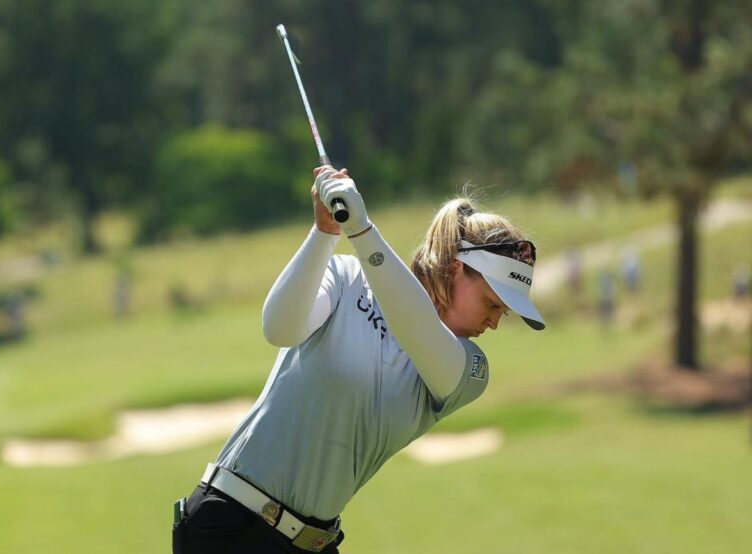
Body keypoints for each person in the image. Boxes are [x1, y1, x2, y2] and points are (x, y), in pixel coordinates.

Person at [172, 167, 546, 554]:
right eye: (492, 303)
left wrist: (364, 232)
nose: (495, 323)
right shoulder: (348, 277)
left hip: (313, 544)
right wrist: (326, 233)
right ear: (455, 270)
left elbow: (417, 328)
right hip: (230, 526)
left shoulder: (468, 369)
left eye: (504, 312)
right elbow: (279, 329)